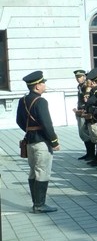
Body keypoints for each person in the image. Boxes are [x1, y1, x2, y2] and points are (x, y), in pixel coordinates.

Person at [16, 71, 60, 213]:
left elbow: (19, 121)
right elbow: (47, 124)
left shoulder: (22, 100)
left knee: (33, 172)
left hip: (30, 140)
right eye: (43, 83)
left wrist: (30, 130)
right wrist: (54, 141)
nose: (44, 85)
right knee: (42, 171)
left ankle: (36, 203)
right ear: (36, 86)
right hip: (41, 142)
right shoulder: (41, 101)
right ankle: (39, 205)